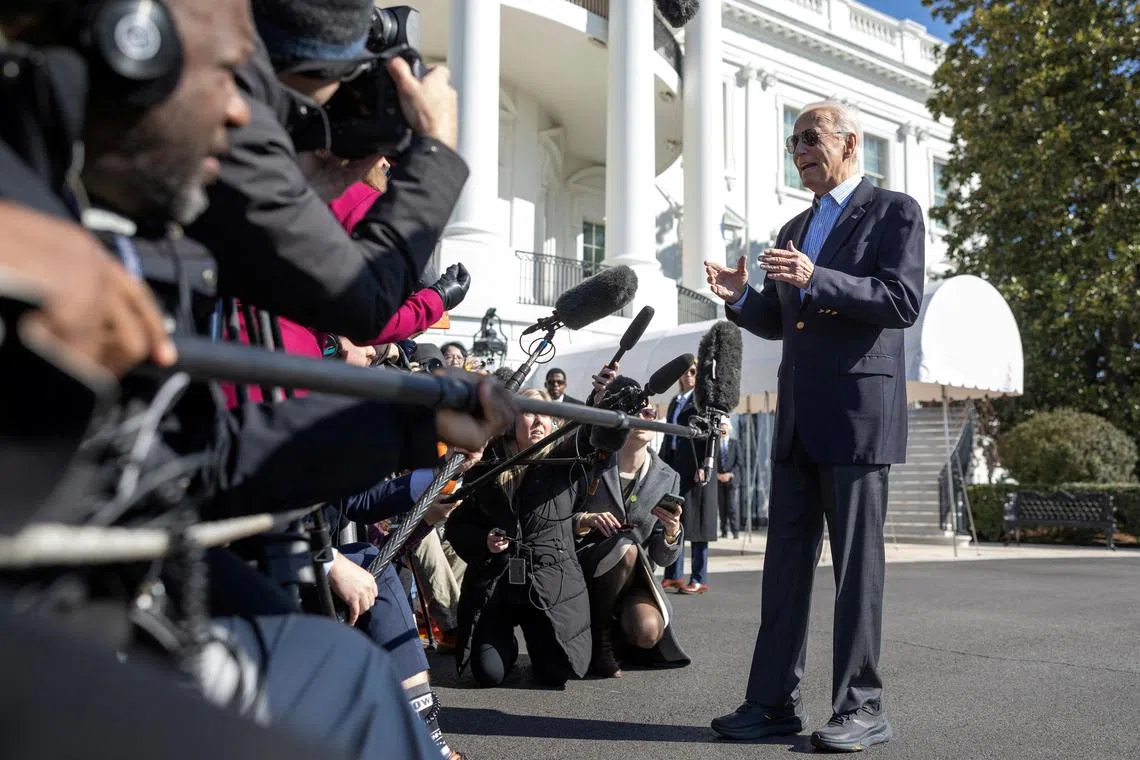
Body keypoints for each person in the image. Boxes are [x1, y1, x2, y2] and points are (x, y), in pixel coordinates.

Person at [705, 99, 925, 751]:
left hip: (859, 417)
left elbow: (901, 301)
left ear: (849, 142)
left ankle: (863, 706)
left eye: (808, 138)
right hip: (798, 419)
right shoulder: (795, 225)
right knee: (784, 569)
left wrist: (816, 275)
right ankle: (771, 704)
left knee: (856, 571)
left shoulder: (895, 212)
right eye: (791, 142)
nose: (798, 150)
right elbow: (782, 319)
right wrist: (742, 297)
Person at [186, 0, 466, 343]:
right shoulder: (236, 119)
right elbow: (366, 303)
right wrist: (436, 151)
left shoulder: (201, 73)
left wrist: (302, 193)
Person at [445, 389, 592, 688]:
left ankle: (540, 642)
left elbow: (595, 438)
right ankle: (507, 646)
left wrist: (600, 397)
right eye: (529, 412)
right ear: (512, 422)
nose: (538, 421)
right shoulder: (486, 463)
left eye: (545, 415)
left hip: (548, 589)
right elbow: (457, 528)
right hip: (497, 590)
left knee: (554, 674)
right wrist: (484, 540)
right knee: (488, 674)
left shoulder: (563, 462)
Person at [573, 376, 690, 678]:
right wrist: (586, 520)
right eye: (636, 412)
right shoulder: (592, 460)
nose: (643, 418)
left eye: (649, 413)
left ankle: (616, 629)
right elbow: (560, 517)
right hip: (587, 567)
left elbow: (663, 558)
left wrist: (673, 532)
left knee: (648, 633)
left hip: (636, 577)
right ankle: (599, 637)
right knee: (624, 548)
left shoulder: (668, 476)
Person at [660, 356, 718, 595]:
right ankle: (673, 576)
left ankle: (698, 577)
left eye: (693, 371)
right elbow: (668, 435)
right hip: (675, 466)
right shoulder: (675, 401)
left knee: (697, 524)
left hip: (696, 467)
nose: (688, 375)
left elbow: (710, 433)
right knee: (676, 519)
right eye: (685, 371)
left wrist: (705, 464)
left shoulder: (703, 401)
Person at [717, 421, 742, 539]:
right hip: (718, 480)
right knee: (722, 507)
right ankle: (724, 531)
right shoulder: (715, 444)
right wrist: (717, 475)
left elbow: (739, 462)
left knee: (731, 506)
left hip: (731, 480)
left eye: (725, 428)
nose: (723, 430)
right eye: (721, 428)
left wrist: (730, 474)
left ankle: (735, 531)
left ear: (729, 430)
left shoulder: (735, 443)